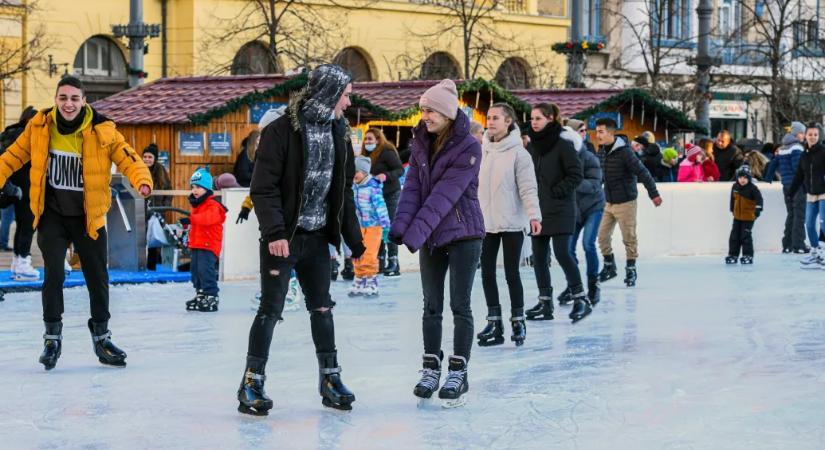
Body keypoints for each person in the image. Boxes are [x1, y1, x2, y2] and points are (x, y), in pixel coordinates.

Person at [0, 76, 152, 370]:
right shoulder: (40, 126)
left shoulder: (102, 129)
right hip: (52, 216)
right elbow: (13, 156)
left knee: (97, 278)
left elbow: (128, 157)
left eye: (74, 98)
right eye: (63, 98)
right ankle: (52, 338)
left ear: (84, 101)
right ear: (56, 100)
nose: (68, 104)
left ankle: (102, 337)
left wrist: (142, 180)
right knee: (54, 275)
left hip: (89, 217)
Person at [238, 64, 365, 416]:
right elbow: (263, 188)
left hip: (317, 237)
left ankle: (330, 377)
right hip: (284, 239)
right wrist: (276, 233)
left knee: (322, 307)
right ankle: (251, 381)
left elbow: (343, 193)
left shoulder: (340, 133)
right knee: (271, 309)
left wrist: (354, 243)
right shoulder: (282, 130)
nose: (349, 101)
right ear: (328, 93)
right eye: (346, 94)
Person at [388, 79, 484, 408]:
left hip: (463, 233)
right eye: (422, 109)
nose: (424, 115)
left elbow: (445, 196)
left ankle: (458, 370)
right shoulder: (420, 144)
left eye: (429, 110)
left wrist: (413, 234)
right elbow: (412, 189)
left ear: (445, 113)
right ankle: (431, 367)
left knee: (460, 304)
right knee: (431, 305)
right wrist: (400, 226)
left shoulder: (469, 147)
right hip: (431, 236)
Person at [476, 103, 540, 347]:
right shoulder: (483, 152)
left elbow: (528, 188)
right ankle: (495, 322)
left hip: (512, 221)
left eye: (496, 118)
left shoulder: (519, 154)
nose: (490, 122)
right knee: (487, 272)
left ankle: (518, 319)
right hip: (486, 222)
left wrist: (534, 216)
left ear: (508, 122)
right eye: (489, 118)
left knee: (512, 273)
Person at [523, 103, 588, 323]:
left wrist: (556, 191)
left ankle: (580, 298)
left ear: (550, 119)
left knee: (562, 253)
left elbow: (575, 174)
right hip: (538, 210)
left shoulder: (563, 144)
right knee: (539, 258)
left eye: (538, 118)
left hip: (561, 208)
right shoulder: (532, 146)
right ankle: (545, 303)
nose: (534, 122)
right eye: (532, 118)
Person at [595, 117, 662, 287]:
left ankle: (631, 269)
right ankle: (609, 266)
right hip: (608, 202)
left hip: (626, 201)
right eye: (596, 131)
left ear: (610, 133)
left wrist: (653, 194)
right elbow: (597, 175)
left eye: (601, 132)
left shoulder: (625, 152)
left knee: (629, 237)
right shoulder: (601, 151)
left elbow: (643, 172)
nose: (597, 135)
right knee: (602, 236)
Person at [563, 119, 605, 307]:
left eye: (584, 130)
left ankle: (593, 284)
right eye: (581, 130)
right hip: (574, 210)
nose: (584, 133)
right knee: (567, 249)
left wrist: (573, 183)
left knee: (588, 244)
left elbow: (595, 184)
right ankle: (573, 285)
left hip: (593, 207)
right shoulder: (562, 158)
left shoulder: (589, 158)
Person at [0, 106, 38, 280]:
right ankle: (22, 263)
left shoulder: (9, 132)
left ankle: (17, 262)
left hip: (9, 186)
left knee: (21, 224)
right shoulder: (26, 135)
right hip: (24, 185)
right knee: (27, 224)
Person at [361, 128, 404, 277]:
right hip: (374, 196)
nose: (367, 142)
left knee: (390, 226)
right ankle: (379, 259)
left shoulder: (387, 152)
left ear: (378, 140)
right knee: (376, 227)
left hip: (390, 194)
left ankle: (393, 261)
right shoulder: (365, 154)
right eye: (366, 139)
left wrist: (385, 176)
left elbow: (399, 170)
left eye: (370, 139)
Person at [183, 168, 227, 311]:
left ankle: (211, 296)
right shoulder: (197, 205)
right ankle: (200, 294)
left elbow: (207, 219)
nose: (194, 190)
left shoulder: (213, 205)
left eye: (198, 187)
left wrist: (191, 219)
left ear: (207, 188)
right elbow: (196, 224)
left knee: (205, 270)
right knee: (195, 270)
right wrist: (188, 225)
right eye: (193, 187)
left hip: (209, 245)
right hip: (197, 244)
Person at [348, 156, 390, 297]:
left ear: (365, 172)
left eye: (357, 171)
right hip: (358, 226)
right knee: (357, 253)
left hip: (374, 226)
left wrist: (385, 225)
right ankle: (359, 278)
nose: (354, 174)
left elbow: (381, 206)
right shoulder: (353, 187)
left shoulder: (373, 187)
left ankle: (371, 281)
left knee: (370, 254)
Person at [764, 125, 807, 253]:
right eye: (802, 133)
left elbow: (773, 163)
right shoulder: (797, 147)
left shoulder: (783, 148)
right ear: (797, 134)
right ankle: (798, 245)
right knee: (799, 215)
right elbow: (797, 167)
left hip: (786, 185)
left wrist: (768, 177)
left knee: (791, 214)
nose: (804, 136)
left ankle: (787, 244)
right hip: (797, 186)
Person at [790, 124, 825, 269]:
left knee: (823, 223)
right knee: (809, 224)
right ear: (805, 136)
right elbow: (799, 175)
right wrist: (791, 192)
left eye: (816, 135)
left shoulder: (823, 152)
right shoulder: (804, 154)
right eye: (810, 134)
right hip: (811, 194)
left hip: (824, 192)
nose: (813, 137)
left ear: (819, 136)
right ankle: (816, 252)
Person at [142, 143, 172, 270]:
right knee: (140, 238)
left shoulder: (161, 171)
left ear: (154, 159)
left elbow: (169, 191)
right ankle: (140, 265)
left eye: (150, 157)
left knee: (153, 238)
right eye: (145, 157)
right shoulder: (139, 170)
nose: (147, 159)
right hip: (141, 211)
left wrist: (164, 207)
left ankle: (151, 266)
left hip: (157, 210)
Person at [725, 165, 763, 265]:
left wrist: (757, 210)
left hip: (748, 217)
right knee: (734, 236)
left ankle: (748, 255)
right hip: (737, 217)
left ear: (749, 178)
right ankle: (733, 255)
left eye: (745, 177)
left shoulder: (753, 188)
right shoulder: (735, 186)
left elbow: (759, 200)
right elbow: (732, 199)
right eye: (740, 177)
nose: (742, 180)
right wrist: (732, 209)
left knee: (745, 236)